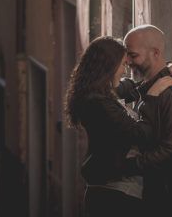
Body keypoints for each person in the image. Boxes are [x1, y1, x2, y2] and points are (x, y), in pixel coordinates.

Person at [64, 36, 153, 217]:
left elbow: (130, 87)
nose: (124, 71)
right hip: (113, 196)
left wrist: (165, 70)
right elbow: (140, 134)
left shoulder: (96, 92)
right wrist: (156, 95)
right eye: (122, 65)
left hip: (108, 189)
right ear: (108, 68)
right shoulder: (99, 103)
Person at [119, 24, 172, 216]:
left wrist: (128, 166)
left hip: (169, 197)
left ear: (155, 52)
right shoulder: (147, 85)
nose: (128, 62)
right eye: (126, 56)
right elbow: (115, 88)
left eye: (133, 55)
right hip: (153, 191)